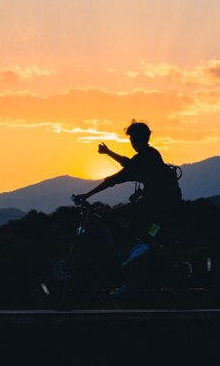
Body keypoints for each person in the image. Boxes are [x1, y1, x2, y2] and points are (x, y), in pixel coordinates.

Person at [73, 120, 181, 296]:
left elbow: (116, 178)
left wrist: (87, 195)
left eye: (131, 138)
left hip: (157, 204)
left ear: (135, 139)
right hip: (163, 202)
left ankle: (137, 264)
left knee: (110, 219)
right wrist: (108, 152)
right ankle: (135, 273)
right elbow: (131, 166)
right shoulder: (151, 154)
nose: (130, 141)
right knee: (137, 234)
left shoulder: (145, 157)